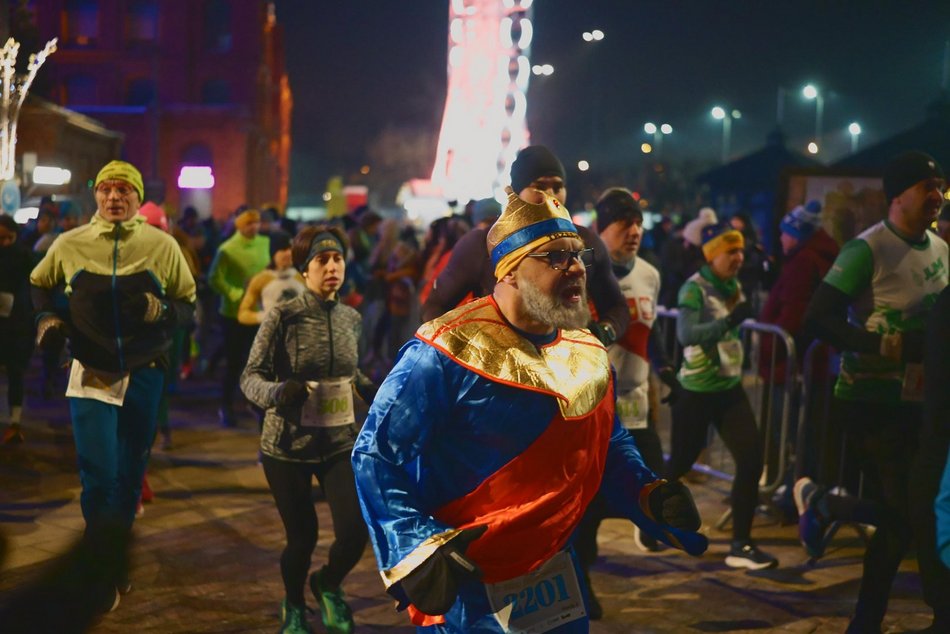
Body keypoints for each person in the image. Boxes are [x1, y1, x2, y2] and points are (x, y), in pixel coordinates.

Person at [352, 187, 707, 632]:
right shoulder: (443, 351)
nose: (577, 267)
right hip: (470, 583)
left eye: (578, 255)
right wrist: (414, 546)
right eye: (556, 256)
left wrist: (646, 494)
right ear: (511, 270)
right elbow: (375, 454)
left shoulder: (589, 352)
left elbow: (607, 442)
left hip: (557, 573)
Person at [29, 160, 196, 611]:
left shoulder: (161, 246)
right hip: (91, 371)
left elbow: (188, 307)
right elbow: (38, 284)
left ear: (138, 199)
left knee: (128, 477)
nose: (115, 198)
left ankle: (113, 554)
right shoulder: (70, 243)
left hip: (144, 371)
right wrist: (46, 316)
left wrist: (159, 311)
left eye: (124, 190)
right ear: (96, 196)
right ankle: (99, 564)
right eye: (107, 190)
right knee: (98, 474)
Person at [797, 151, 949, 632]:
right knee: (908, 513)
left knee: (908, 515)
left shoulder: (942, 249)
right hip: (868, 401)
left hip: (918, 404)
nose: (938, 196)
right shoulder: (866, 249)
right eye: (927, 186)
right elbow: (816, 318)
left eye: (941, 185)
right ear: (897, 195)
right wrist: (882, 344)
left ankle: (869, 617)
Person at [241, 225, 375, 634]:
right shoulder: (285, 315)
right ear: (305, 269)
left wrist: (377, 389)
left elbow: (352, 374)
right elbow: (250, 377)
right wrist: (280, 391)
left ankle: (327, 583)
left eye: (337, 259)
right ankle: (295, 605)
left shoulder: (352, 318)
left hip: (338, 442)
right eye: (322, 260)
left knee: (355, 531)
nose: (332, 267)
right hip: (286, 447)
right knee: (302, 539)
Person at [573, 188, 683, 618]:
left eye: (638, 222)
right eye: (624, 223)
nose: (634, 231)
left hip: (635, 402)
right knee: (589, 500)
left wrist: (665, 369)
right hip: (592, 402)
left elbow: (647, 332)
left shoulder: (651, 275)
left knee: (651, 479)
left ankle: (642, 530)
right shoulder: (580, 273)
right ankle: (581, 577)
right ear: (602, 228)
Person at [421, 145, 629, 347]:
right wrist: (461, 355)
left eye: (557, 186)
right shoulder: (482, 244)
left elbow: (617, 307)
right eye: (539, 186)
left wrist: (600, 335)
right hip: (498, 370)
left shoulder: (587, 241)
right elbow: (435, 306)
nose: (550, 195)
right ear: (516, 193)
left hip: (565, 375)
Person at [665, 221, 778, 570]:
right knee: (680, 464)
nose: (739, 257)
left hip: (728, 389)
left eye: (741, 250)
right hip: (697, 392)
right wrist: (730, 322)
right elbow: (686, 335)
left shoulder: (732, 285)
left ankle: (740, 545)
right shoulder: (694, 289)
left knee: (750, 460)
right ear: (713, 255)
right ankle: (650, 521)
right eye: (731, 251)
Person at [757, 201, 839, 508]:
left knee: (793, 435)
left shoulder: (804, 262)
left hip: (792, 366)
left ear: (798, 234)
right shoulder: (816, 258)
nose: (781, 239)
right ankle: (799, 494)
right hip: (804, 364)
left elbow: (793, 313)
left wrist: (767, 348)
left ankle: (796, 497)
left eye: (786, 233)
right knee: (802, 434)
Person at [208, 208, 270, 427]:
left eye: (257, 223)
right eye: (249, 223)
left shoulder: (265, 244)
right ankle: (225, 405)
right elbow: (214, 278)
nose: (254, 227)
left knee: (258, 362)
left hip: (260, 313)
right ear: (239, 226)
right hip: (234, 315)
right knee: (234, 362)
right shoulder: (227, 249)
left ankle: (254, 402)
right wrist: (236, 294)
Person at [0, 214, 34, 444]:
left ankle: (15, 422)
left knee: (15, 373)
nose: (4, 243)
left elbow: (32, 287)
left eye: (8, 238)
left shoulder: (24, 256)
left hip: (17, 324)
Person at [237, 230, 306, 326]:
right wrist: (265, 317)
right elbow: (243, 314)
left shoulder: (302, 276)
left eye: (290, 249)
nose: (288, 253)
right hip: (274, 337)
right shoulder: (261, 279)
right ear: (274, 253)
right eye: (283, 249)